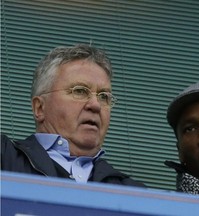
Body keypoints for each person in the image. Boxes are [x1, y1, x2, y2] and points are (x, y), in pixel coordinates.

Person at [1, 44, 145, 187]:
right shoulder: (5, 159)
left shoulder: (134, 193)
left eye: (104, 97)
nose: (95, 105)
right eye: (80, 91)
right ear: (39, 108)